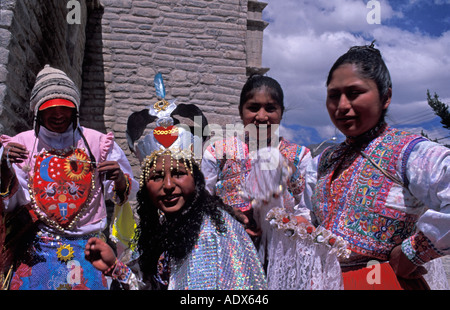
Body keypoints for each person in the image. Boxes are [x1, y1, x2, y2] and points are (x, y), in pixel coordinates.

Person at [84, 74, 267, 289]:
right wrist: (116, 268)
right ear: (145, 186)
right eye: (157, 177)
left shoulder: (216, 232)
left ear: (196, 179)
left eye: (179, 173)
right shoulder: (157, 229)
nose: (168, 185)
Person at [307, 43, 450, 290]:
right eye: (333, 95)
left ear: (386, 97)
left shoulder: (409, 152)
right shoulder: (324, 160)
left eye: (354, 93)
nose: (341, 105)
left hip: (383, 283)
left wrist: (413, 251)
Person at [0, 64, 138, 290]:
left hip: (88, 252)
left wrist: (119, 180)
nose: (57, 114)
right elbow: (9, 204)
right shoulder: (20, 145)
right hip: (36, 254)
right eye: (49, 108)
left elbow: (124, 192)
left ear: (75, 109)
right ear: (37, 111)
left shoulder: (98, 143)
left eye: (64, 107)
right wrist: (4, 167)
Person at [201, 75, 312, 264]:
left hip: (283, 255)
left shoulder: (299, 156)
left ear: (281, 112)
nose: (261, 117)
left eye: (270, 108)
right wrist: (230, 214)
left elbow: (307, 209)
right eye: (253, 108)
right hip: (229, 250)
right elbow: (202, 199)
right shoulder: (217, 153)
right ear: (240, 111)